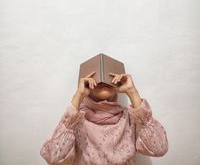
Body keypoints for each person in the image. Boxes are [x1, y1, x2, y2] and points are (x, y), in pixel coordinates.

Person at [40, 71, 168, 165]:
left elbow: (159, 149)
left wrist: (132, 92)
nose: (102, 81)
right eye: (97, 77)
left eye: (107, 76)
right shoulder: (76, 120)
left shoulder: (130, 117)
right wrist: (78, 96)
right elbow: (54, 157)